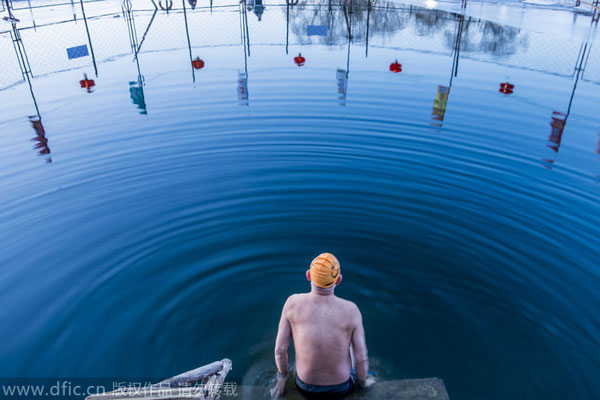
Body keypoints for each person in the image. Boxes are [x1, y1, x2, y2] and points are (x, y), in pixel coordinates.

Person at [270, 253, 376, 399]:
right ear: (338, 279)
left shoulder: (292, 303)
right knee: (351, 345)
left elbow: (279, 351)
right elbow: (361, 357)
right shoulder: (351, 310)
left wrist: (282, 378)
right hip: (341, 387)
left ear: (308, 275)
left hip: (304, 386)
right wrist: (363, 382)